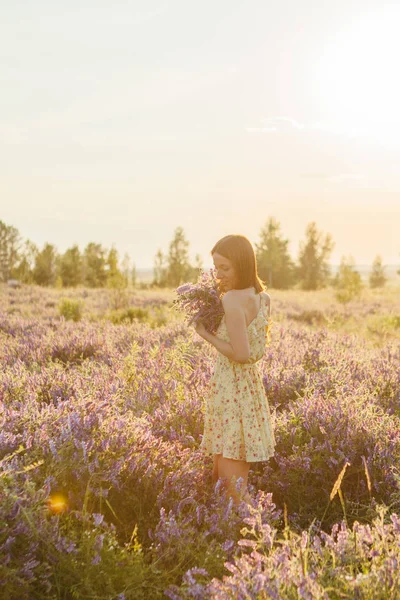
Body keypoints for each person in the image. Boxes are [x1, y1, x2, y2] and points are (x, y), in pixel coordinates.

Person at [194, 234, 276, 506]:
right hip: (249, 389)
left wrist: (206, 335)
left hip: (232, 390)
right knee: (223, 478)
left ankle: (255, 537)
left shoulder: (231, 300)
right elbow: (252, 349)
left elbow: (241, 354)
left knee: (231, 489)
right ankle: (234, 535)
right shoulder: (263, 298)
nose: (218, 275)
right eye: (216, 268)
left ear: (242, 265)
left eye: (225, 268)